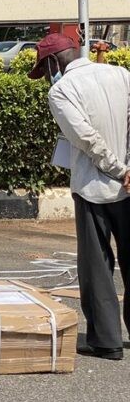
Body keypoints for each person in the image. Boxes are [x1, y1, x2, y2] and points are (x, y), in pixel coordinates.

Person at [31, 34, 130, 361]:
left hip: (94, 188)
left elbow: (85, 137)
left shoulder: (60, 91)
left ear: (51, 63)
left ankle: (106, 341)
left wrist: (117, 170)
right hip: (129, 185)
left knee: (97, 266)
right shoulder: (121, 74)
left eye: (43, 69)